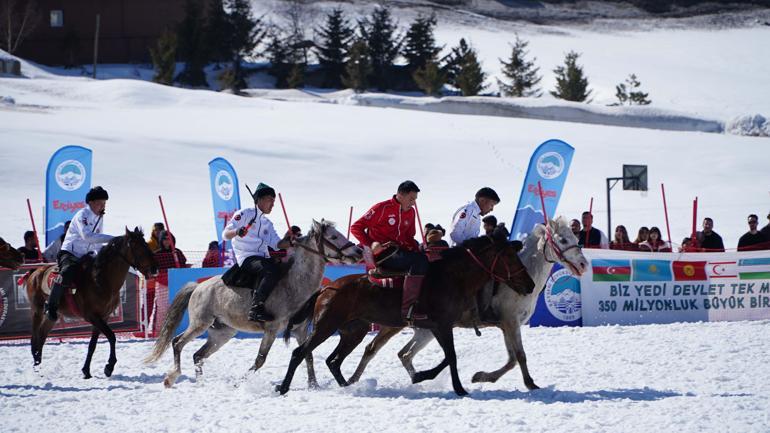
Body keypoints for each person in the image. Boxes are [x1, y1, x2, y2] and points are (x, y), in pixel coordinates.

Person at [350, 180, 428, 322]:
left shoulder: (411, 212)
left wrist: (420, 249)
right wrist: (371, 243)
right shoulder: (382, 208)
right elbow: (356, 227)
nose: (413, 203)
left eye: (415, 200)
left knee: (426, 258)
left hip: (399, 252)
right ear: (401, 195)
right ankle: (407, 309)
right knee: (419, 261)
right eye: (411, 199)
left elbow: (409, 237)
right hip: (383, 255)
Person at [223, 183, 294, 322]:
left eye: (274, 201)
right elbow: (225, 234)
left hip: (263, 258)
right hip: (247, 257)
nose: (273, 204)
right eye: (270, 199)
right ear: (259, 199)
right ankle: (256, 308)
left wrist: (290, 242)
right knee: (271, 270)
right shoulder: (244, 214)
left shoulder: (268, 223)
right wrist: (237, 231)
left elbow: (277, 244)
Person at [46, 186, 113, 321]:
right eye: (100, 202)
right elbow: (87, 236)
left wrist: (100, 256)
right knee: (67, 271)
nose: (103, 206)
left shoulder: (99, 218)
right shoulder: (82, 215)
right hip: (69, 253)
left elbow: (98, 241)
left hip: (86, 254)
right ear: (91, 202)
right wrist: (113, 239)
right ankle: (51, 306)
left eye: (104, 203)